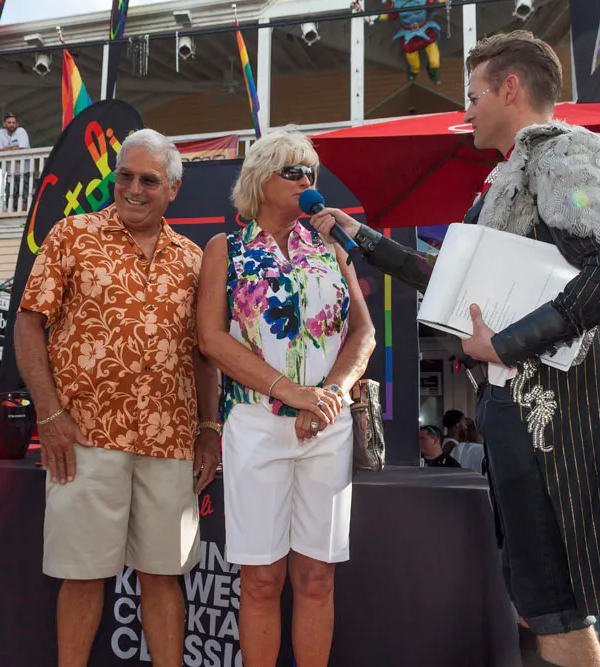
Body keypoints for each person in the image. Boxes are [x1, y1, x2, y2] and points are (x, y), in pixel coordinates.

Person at [310, 30, 600, 666]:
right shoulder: (509, 177)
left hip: (551, 409)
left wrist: (508, 343)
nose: (465, 112)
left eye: (473, 96)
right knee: (534, 591)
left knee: (553, 597)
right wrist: (364, 238)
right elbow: (450, 280)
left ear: (510, 89)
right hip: (515, 405)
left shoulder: (562, 156)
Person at [13, 128, 220, 667]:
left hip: (170, 440)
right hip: (84, 436)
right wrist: (49, 415)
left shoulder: (193, 259)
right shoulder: (72, 234)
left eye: (148, 180)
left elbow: (204, 353)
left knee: (163, 576)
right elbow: (29, 325)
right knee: (82, 576)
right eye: (124, 176)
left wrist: (209, 429)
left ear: (173, 189)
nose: (132, 189)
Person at [196, 131, 375, 667]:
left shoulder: (332, 245)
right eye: (292, 171)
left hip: (327, 426)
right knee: (260, 580)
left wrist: (329, 395)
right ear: (259, 180)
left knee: (317, 577)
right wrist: (293, 394)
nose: (305, 181)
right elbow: (211, 339)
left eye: (310, 173)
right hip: (255, 424)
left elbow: (363, 332)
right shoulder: (226, 249)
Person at [0, 112, 34, 211]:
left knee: (24, 197)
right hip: (11, 172)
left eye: (13, 123)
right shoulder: (1, 133)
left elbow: (22, 149)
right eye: (9, 122)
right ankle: (12, 214)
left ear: (17, 124)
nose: (11, 125)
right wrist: (14, 148)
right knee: (10, 196)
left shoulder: (21, 131)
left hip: (25, 171)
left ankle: (23, 217)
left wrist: (7, 149)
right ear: (4, 124)